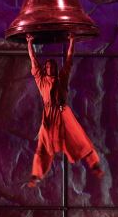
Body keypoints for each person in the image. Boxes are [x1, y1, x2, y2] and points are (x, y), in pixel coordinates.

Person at [25, 33, 102, 186]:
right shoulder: (41, 80)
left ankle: (94, 164)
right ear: (45, 69)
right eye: (48, 66)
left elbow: (69, 58)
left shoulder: (62, 78)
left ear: (56, 68)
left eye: (53, 66)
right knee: (43, 145)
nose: (50, 68)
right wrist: (30, 43)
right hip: (49, 115)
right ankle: (36, 174)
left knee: (78, 137)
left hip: (62, 112)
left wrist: (72, 40)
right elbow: (33, 59)